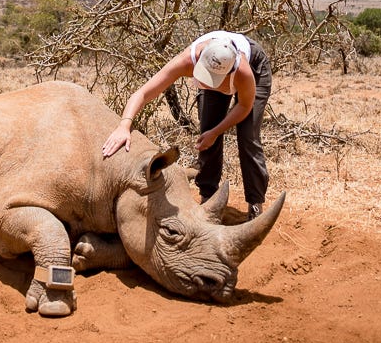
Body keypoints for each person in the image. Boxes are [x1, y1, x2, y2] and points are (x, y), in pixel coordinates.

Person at [101, 30, 273, 221]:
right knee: (207, 132)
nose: (208, 83)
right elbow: (143, 93)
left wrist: (217, 132)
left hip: (254, 68)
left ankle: (255, 205)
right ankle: (208, 199)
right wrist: (124, 125)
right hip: (220, 66)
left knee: (248, 138)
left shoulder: (243, 71)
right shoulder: (188, 60)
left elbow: (244, 106)